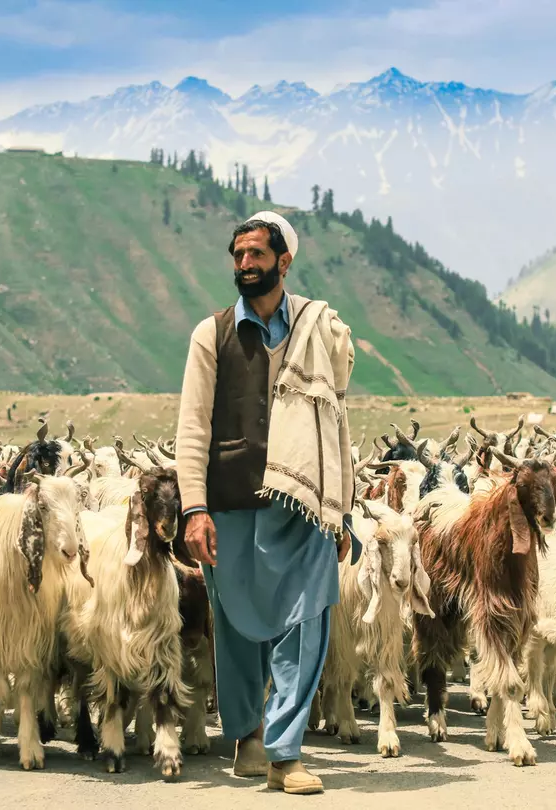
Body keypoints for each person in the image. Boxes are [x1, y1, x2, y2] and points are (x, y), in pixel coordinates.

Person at [174, 211, 357, 795]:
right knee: (235, 626)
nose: (245, 264)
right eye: (239, 255)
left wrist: (341, 509)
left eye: (256, 254)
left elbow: (334, 421)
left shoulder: (318, 329)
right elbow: (192, 427)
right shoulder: (213, 334)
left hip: (303, 505)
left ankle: (285, 754)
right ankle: (247, 736)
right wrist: (193, 509)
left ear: (284, 260)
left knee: (306, 620)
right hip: (230, 501)